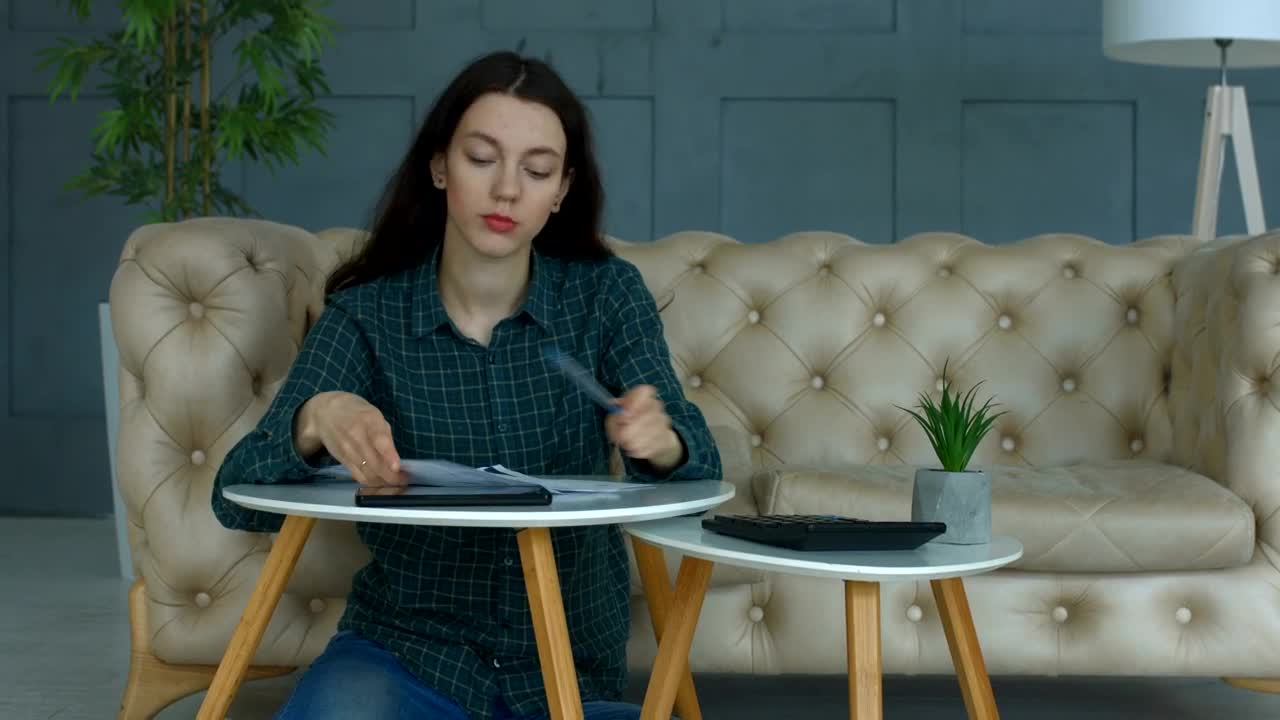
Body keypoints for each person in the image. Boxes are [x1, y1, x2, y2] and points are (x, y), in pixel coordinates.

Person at [210, 50, 722, 720]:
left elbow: (703, 474)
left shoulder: (606, 297)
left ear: (561, 189)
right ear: (440, 166)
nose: (508, 189)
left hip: (565, 674)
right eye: (483, 158)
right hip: (407, 657)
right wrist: (314, 419)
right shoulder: (368, 314)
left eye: (536, 170)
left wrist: (664, 445)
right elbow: (236, 498)